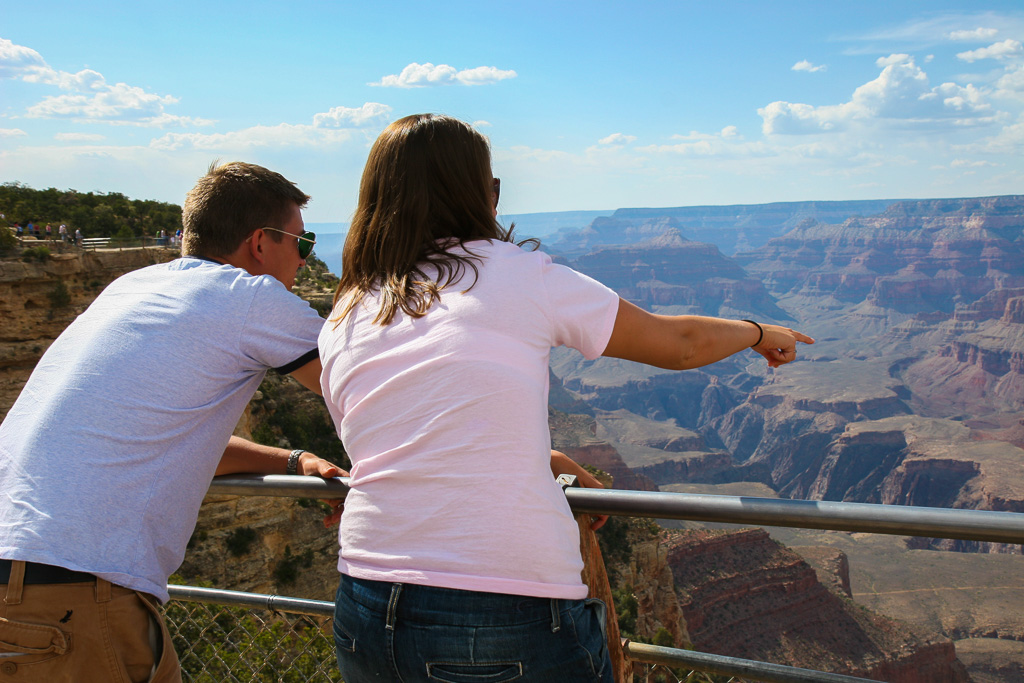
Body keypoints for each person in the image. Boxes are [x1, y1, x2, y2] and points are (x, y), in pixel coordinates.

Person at [318, 114, 814, 682]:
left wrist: (540, 458)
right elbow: (679, 344)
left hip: (364, 603)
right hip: (497, 607)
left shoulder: (349, 308)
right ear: (478, 196)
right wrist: (757, 331)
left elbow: (406, 432)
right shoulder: (520, 275)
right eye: (492, 188)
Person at [0, 161, 343, 682]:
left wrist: (293, 459)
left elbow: (164, 435)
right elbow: (374, 394)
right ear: (260, 243)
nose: (303, 257)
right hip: (72, 593)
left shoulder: (131, 288)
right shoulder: (249, 296)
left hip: (28, 576)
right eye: (303, 241)